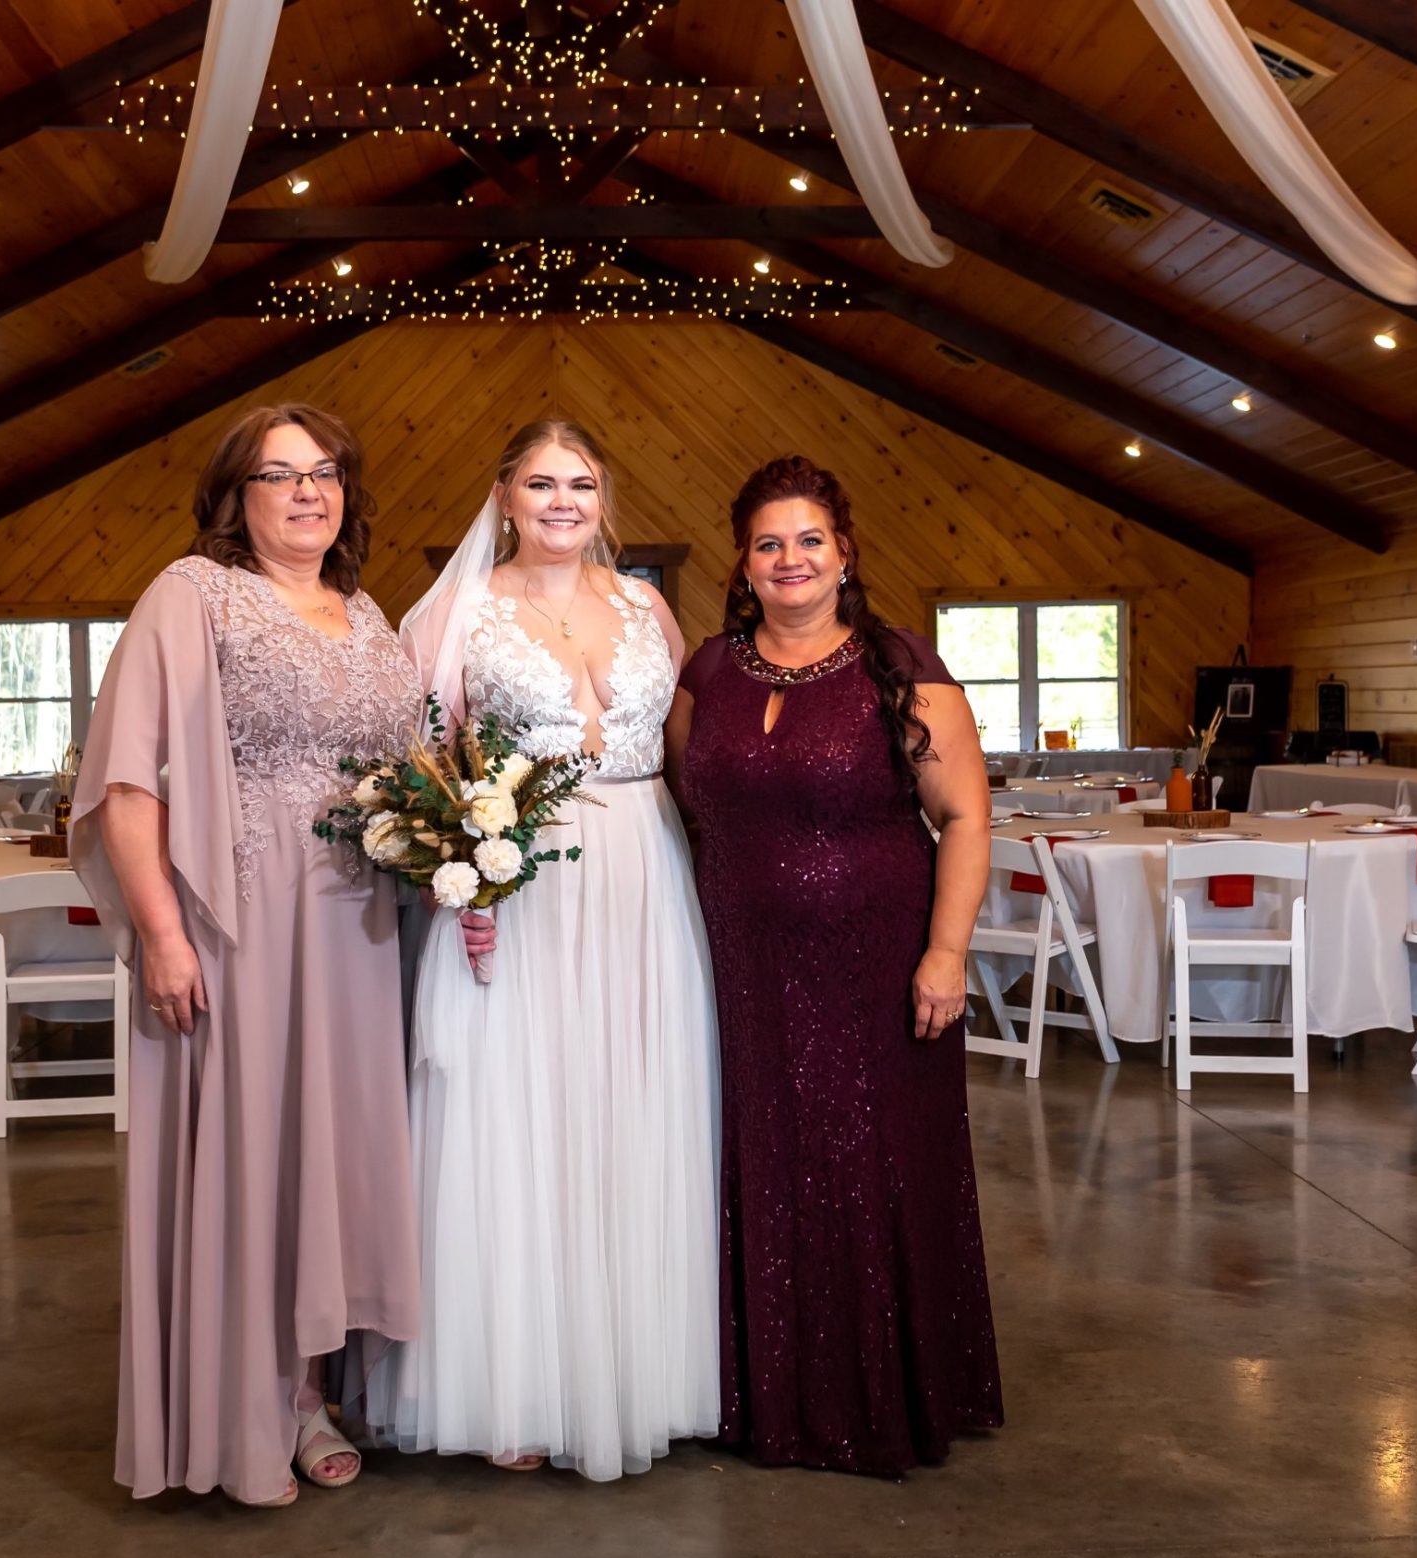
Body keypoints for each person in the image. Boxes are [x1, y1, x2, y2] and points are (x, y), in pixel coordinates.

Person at [72, 402, 441, 1508]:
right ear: (236, 496)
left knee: (333, 1161)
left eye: (323, 472)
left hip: (363, 928)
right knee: (253, 1157)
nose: (305, 493)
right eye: (277, 475)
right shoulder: (191, 596)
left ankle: (318, 1387)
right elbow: (128, 784)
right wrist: (162, 931)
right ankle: (250, 1411)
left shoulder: (367, 610)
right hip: (242, 923)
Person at [363, 418, 722, 1480]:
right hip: (520, 881)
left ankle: (640, 1371)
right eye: (540, 482)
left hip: (647, 870)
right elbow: (414, 768)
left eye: (580, 483)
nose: (561, 500)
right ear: (504, 496)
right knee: (518, 1112)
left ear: (602, 499)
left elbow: (689, 751)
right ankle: (509, 1380)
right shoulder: (459, 613)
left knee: (633, 1104)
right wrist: (456, 871)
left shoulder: (646, 602)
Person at [666, 453, 1001, 1475]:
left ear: (843, 553)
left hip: (875, 965)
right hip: (739, 968)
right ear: (743, 562)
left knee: (870, 1169)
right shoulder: (707, 673)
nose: (789, 557)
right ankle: (760, 1396)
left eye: (809, 538)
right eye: (769, 541)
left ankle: (881, 1399)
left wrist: (945, 954)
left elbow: (965, 817)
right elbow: (681, 800)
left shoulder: (901, 666)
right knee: (756, 1169)